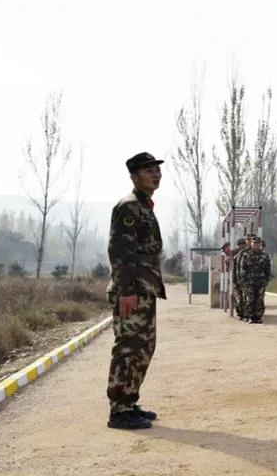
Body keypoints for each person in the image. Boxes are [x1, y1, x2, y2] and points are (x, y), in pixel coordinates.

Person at [106, 152, 167, 429]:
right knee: (129, 349)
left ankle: (129, 402)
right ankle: (119, 411)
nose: (156, 174)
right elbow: (120, 251)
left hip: (144, 288)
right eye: (149, 170)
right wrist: (127, 290)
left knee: (143, 348)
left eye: (157, 170)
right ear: (134, 177)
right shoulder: (129, 207)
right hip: (132, 290)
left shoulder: (144, 206)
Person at [243, 234, 272, 323]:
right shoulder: (246, 255)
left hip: (261, 281)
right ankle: (251, 317)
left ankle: (258, 317)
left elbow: (268, 269)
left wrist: (266, 280)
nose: (256, 245)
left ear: (260, 244)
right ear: (251, 244)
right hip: (249, 282)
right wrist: (243, 281)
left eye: (257, 243)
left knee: (260, 300)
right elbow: (243, 269)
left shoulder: (265, 255)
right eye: (254, 243)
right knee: (250, 300)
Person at [232, 237, 249, 321]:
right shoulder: (235, 254)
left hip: (246, 280)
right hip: (237, 279)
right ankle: (240, 313)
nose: (242, 246)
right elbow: (233, 267)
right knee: (239, 298)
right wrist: (234, 280)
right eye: (240, 245)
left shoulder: (248, 253)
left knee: (246, 298)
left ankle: (245, 314)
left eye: (243, 244)